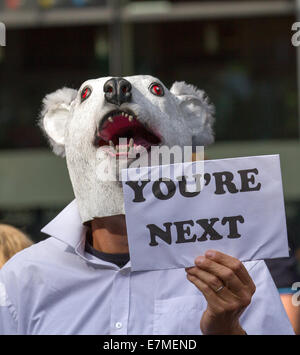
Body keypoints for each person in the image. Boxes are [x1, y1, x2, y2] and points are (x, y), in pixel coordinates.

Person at [0, 75, 295, 334]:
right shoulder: (24, 278)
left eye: (155, 90)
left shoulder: (235, 272)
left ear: (190, 119)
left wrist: (227, 331)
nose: (118, 90)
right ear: (62, 127)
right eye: (88, 95)